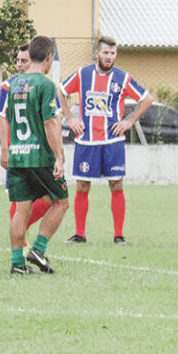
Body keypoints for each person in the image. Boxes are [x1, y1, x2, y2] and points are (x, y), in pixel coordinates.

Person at [58, 36, 153, 245]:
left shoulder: (122, 78)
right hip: (87, 141)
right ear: (97, 54)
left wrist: (129, 121)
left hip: (112, 142)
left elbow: (147, 99)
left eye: (113, 53)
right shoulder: (83, 74)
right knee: (82, 186)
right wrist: (70, 118)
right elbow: (61, 91)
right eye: (106, 53)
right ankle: (79, 234)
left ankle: (119, 236)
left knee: (116, 185)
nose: (109, 57)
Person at [0, 35, 69, 274]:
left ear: (31, 56)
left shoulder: (14, 84)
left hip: (18, 155)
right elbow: (50, 122)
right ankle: (38, 250)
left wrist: (6, 149)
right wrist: (58, 157)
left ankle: (17, 263)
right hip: (39, 156)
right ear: (49, 58)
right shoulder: (45, 85)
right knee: (61, 202)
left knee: (22, 209)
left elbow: (5, 118)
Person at [0, 44, 52, 241]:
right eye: (18, 60)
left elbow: (50, 121)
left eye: (24, 61)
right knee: (20, 198)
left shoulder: (43, 85)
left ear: (34, 61)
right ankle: (21, 241)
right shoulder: (9, 86)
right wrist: (5, 149)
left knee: (51, 196)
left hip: (38, 152)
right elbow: (2, 117)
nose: (19, 65)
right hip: (18, 152)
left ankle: (21, 229)